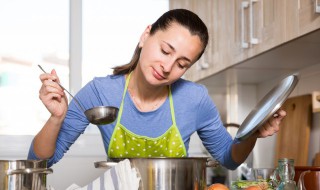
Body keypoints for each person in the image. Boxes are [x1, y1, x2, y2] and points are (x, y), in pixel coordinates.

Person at [28, 9, 286, 168]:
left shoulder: (195, 99)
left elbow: (230, 159)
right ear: (146, 35)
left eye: (182, 63)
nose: (167, 67)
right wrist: (56, 117)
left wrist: (252, 133)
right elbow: (42, 161)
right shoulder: (99, 93)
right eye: (165, 50)